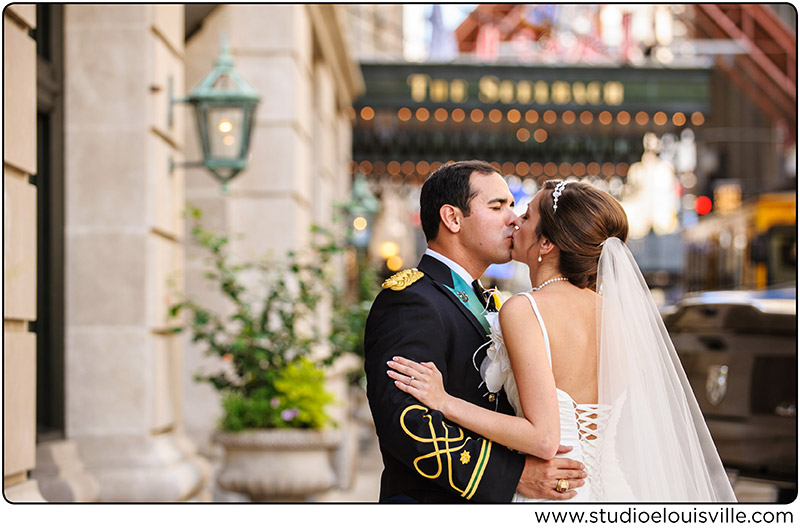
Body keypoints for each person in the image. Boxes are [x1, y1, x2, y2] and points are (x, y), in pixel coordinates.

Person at [388, 180, 737, 502]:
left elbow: (543, 438)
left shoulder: (525, 308)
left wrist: (444, 401)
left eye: (525, 215)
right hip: (617, 492)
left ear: (547, 242)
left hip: (555, 495)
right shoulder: (616, 314)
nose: (515, 222)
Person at [364, 162, 587, 503]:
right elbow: (408, 423)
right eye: (498, 207)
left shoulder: (490, 301)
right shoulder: (410, 300)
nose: (513, 219)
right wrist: (514, 476)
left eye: (514, 207)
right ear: (453, 219)